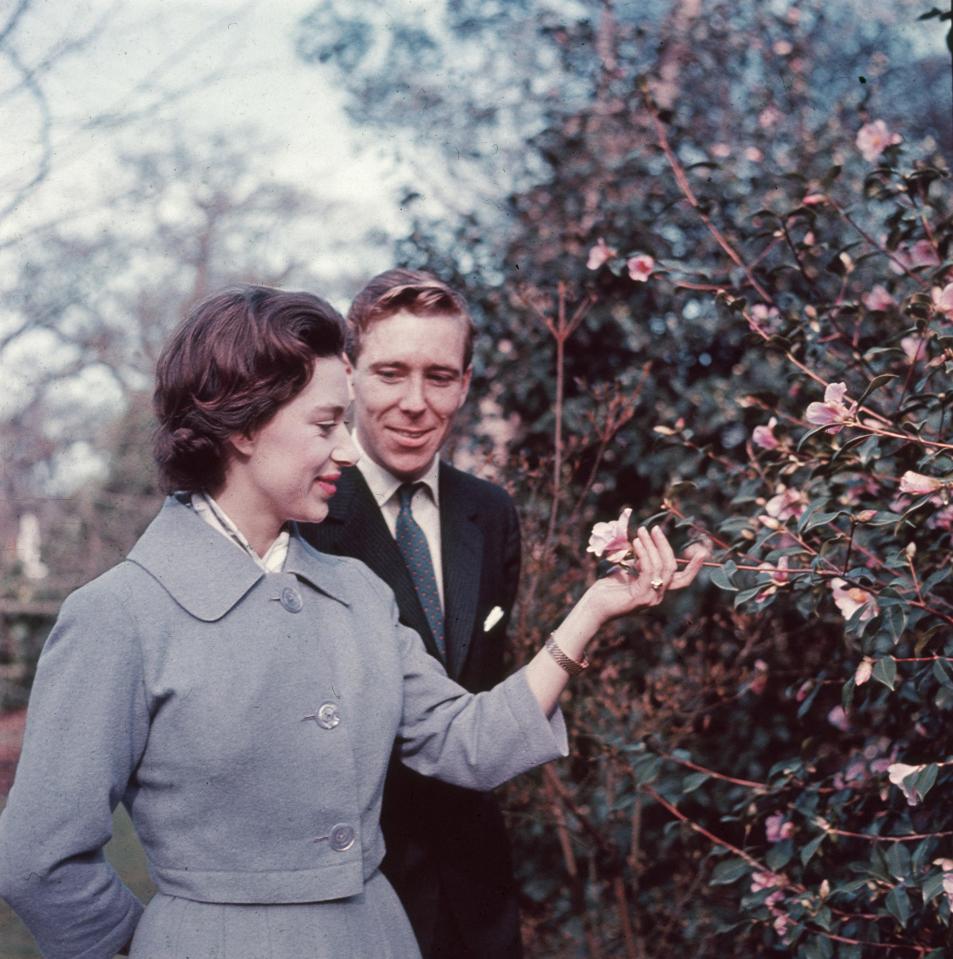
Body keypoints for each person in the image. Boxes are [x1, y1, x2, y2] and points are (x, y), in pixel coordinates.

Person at [0, 285, 706, 959]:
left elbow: (471, 742)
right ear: (243, 426)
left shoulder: (358, 593)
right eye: (324, 423)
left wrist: (595, 607)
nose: (345, 449)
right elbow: (39, 859)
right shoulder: (117, 616)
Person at [299, 269, 524, 958]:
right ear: (349, 373)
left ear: (464, 383)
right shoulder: (301, 511)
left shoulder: (490, 513)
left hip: (478, 899)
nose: (415, 403)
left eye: (439, 375)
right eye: (391, 372)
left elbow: (483, 688)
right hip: (351, 895)